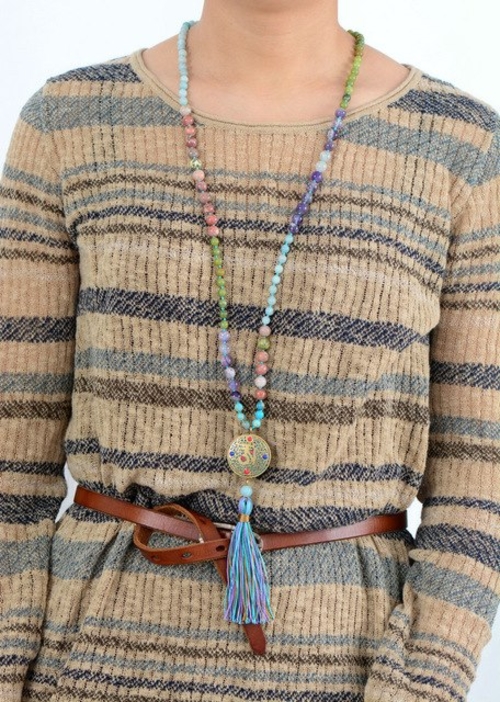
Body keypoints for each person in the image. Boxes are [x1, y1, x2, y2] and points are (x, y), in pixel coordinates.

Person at [0, 1, 498, 700]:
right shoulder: (69, 122)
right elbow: (11, 459)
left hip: (352, 669)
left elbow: (480, 486)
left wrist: (419, 686)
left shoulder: (462, 148)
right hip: (87, 665)